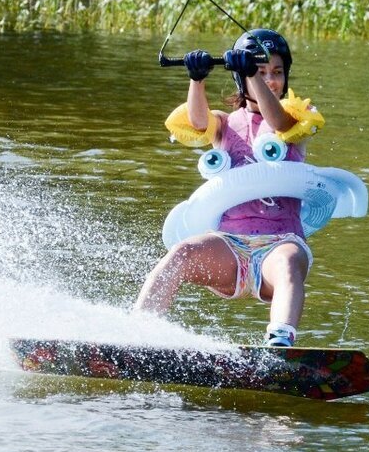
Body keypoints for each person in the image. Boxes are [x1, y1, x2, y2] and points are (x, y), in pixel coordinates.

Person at [134, 28, 325, 347]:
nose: (271, 79)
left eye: (277, 72)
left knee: (290, 262)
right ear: (241, 79)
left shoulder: (296, 119)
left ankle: (280, 343)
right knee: (181, 253)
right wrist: (197, 79)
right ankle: (137, 332)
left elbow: (278, 124)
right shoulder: (223, 123)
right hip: (230, 246)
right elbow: (197, 123)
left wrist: (253, 75)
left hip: (279, 244)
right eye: (262, 72)